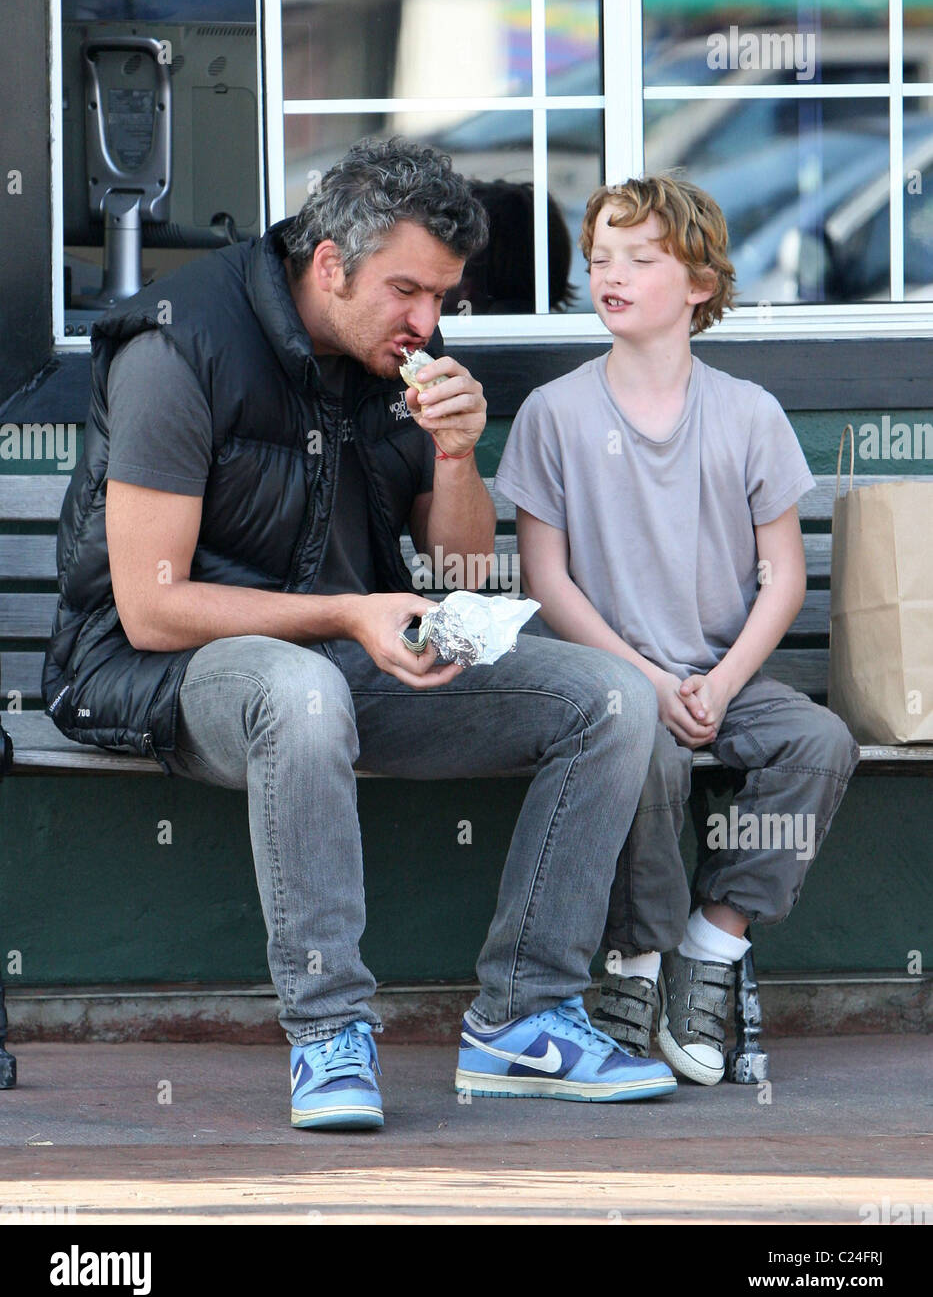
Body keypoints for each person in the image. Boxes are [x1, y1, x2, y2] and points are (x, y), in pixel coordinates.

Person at [43, 139, 675, 1129]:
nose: (427, 322)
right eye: (408, 291)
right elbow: (151, 605)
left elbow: (458, 572)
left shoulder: (401, 366)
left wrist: (460, 454)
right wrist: (346, 611)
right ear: (330, 263)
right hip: (160, 671)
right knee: (302, 692)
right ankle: (329, 1031)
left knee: (608, 697)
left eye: (444, 299)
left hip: (350, 663)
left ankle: (526, 1013)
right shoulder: (182, 342)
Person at [494, 174, 860, 1085]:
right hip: (607, 681)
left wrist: (723, 682)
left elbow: (784, 576)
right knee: (643, 749)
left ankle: (712, 942)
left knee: (817, 743)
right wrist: (643, 681)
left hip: (717, 675)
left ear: (697, 283)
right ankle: (639, 960)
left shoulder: (745, 414)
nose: (610, 274)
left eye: (639, 257)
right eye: (597, 258)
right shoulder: (555, 414)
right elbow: (547, 578)